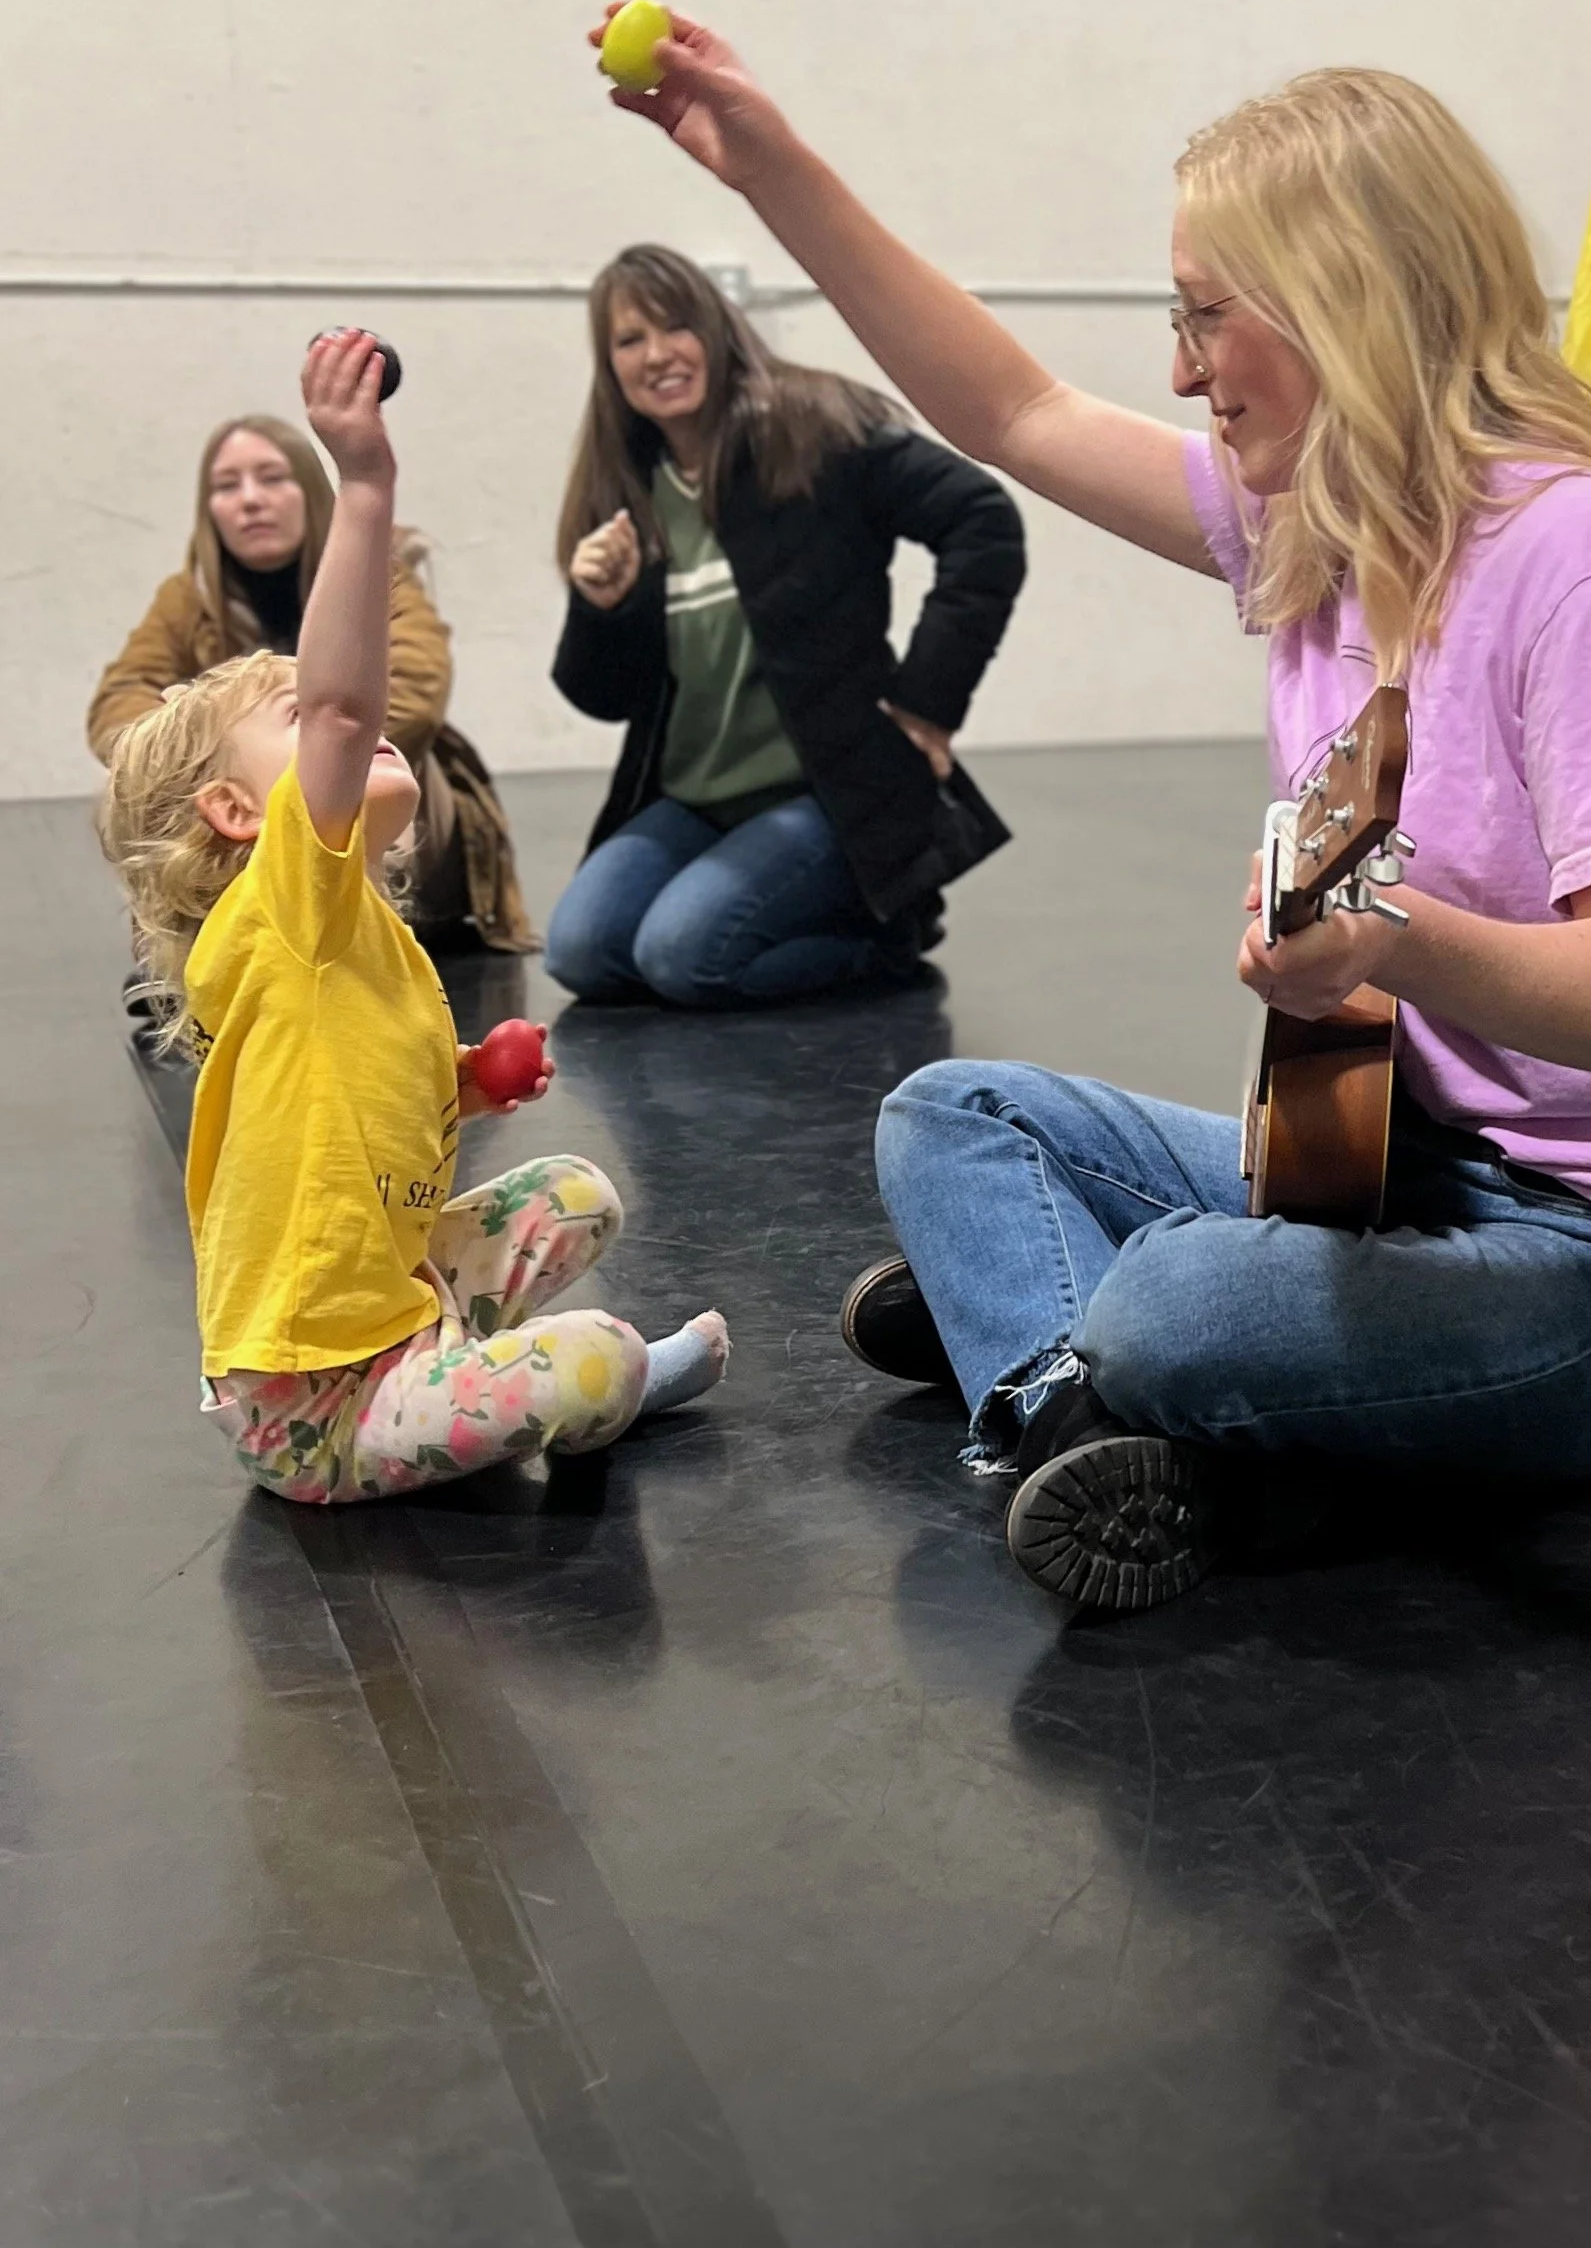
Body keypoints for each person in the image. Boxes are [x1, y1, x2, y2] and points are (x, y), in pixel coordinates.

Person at [596, 7, 1591, 1615]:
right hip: (1386, 1174)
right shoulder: (1317, 528)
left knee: (1173, 1303)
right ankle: (1072, 1398)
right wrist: (774, 171)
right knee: (951, 1116)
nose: (1179, 365)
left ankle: (1062, 1344)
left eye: (1207, 315)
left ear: (1344, 301)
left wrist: (1388, 939)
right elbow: (1008, 410)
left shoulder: (1586, 567)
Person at [96, 329, 726, 1506]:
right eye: (297, 719)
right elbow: (346, 703)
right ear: (238, 812)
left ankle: (473, 1367)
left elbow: (366, 1082)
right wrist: (365, 481)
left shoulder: (351, 933)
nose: (343, 722)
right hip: (312, 1411)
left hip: (393, 1299)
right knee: (593, 1356)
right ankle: (592, 1384)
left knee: (577, 1192)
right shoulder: (288, 907)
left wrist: (473, 1078)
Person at [545, 243, 1026, 1007]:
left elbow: (982, 520)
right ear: (610, 368)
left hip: (825, 792)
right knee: (581, 951)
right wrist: (595, 607)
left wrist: (929, 701)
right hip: (697, 796)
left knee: (680, 957)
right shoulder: (627, 489)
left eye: (675, 327)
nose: (658, 354)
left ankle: (885, 933)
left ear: (716, 326)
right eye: (629, 340)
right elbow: (606, 697)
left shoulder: (815, 427)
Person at [88, 410, 533, 952]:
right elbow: (119, 698)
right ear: (209, 510)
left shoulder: (378, 572)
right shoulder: (188, 597)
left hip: (374, 782)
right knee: (152, 777)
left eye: (272, 478)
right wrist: (187, 745)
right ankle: (184, 948)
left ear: (309, 489)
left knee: (381, 759)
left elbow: (415, 691)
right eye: (227, 486)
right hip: (254, 793)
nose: (250, 499)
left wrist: (311, 746)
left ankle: (375, 914)